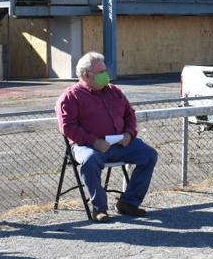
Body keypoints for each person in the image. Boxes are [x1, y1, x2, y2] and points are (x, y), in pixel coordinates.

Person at [57, 52, 159, 220]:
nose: (106, 75)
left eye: (105, 70)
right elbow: (68, 127)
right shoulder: (70, 96)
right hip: (87, 146)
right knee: (90, 161)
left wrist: (129, 134)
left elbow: (129, 114)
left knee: (149, 155)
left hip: (119, 143)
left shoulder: (114, 91)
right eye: (100, 72)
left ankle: (129, 203)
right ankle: (99, 208)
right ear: (85, 75)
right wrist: (94, 141)